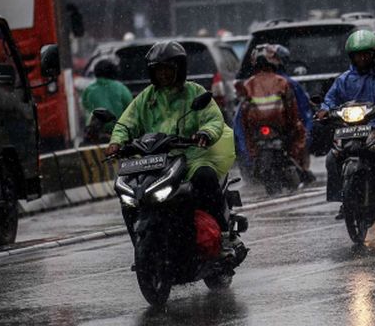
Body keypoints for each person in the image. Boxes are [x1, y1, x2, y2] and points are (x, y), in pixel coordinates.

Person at [106, 41, 236, 252]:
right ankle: (139, 245)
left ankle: (223, 235)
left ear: (180, 70)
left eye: (168, 69)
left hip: (191, 157)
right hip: (154, 161)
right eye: (158, 70)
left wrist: (205, 133)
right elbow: (126, 123)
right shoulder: (146, 98)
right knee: (128, 193)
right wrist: (116, 143)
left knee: (205, 177)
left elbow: (213, 119)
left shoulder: (195, 92)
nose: (163, 75)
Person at [317, 30, 375, 213]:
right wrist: (324, 111)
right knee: (332, 158)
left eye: (365, 54)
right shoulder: (343, 80)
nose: (362, 58)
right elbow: (330, 99)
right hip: (352, 129)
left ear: (374, 54)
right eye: (357, 55)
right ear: (351, 57)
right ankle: (343, 199)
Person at [239, 45, 312, 185]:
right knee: (300, 132)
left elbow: (242, 120)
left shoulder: (248, 84)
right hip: (276, 129)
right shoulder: (283, 82)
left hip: (260, 133)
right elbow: (294, 113)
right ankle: (301, 169)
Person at [81, 58, 133, 144]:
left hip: (95, 135)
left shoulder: (89, 90)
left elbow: (85, 106)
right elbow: (130, 108)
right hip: (118, 134)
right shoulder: (122, 88)